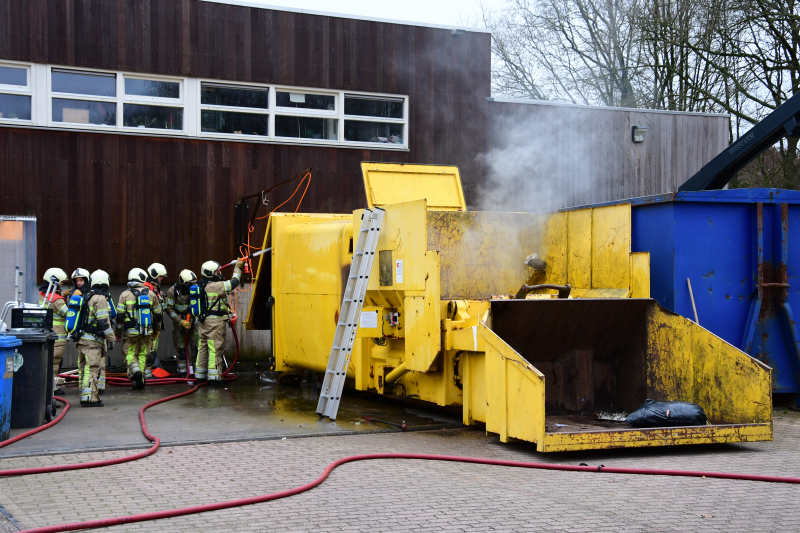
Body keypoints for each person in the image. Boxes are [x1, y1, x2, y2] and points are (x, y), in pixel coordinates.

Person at [195, 260, 244, 384]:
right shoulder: (216, 286)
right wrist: (238, 268)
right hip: (215, 323)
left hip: (203, 322)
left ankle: (200, 376)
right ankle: (214, 378)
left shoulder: (201, 285)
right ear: (211, 273)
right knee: (215, 349)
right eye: (217, 271)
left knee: (202, 348)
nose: (219, 273)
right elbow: (234, 282)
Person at [75, 270, 116, 407]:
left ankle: (83, 394)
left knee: (83, 368)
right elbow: (103, 321)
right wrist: (111, 338)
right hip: (92, 341)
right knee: (92, 368)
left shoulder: (86, 296)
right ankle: (90, 398)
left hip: (82, 339)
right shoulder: (100, 299)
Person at [116, 268, 161, 390]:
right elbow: (158, 316)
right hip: (147, 332)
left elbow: (120, 317)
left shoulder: (125, 295)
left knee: (130, 354)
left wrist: (118, 333)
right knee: (142, 354)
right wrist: (156, 331)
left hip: (130, 333)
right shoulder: (151, 294)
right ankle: (138, 382)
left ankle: (136, 372)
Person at [38, 268, 70, 394]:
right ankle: (53, 388)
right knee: (55, 362)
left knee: (48, 361)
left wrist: (63, 296)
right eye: (61, 282)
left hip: (47, 332)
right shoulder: (57, 299)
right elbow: (67, 314)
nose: (61, 284)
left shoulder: (43, 294)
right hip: (58, 335)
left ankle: (47, 386)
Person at [165, 269, 198, 377]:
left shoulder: (196, 289)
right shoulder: (172, 291)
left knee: (197, 349)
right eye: (189, 283)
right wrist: (180, 321)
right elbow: (169, 309)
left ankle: (199, 372)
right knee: (181, 350)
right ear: (183, 282)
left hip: (194, 324)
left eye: (193, 283)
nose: (191, 285)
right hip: (180, 326)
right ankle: (183, 372)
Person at [144, 263, 167, 377]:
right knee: (149, 349)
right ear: (154, 275)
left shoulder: (156, 288)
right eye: (160, 276)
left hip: (156, 324)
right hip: (151, 325)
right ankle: (147, 373)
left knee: (153, 349)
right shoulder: (148, 288)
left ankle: (152, 371)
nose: (162, 278)